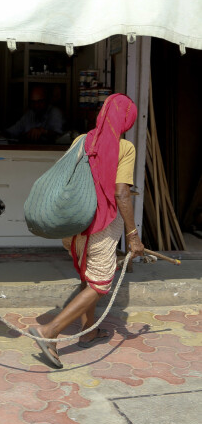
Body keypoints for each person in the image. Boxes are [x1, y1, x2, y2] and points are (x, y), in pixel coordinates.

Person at [29, 93, 145, 369]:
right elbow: (121, 193)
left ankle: (89, 330)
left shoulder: (81, 140)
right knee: (100, 283)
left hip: (75, 223)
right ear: (126, 119)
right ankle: (49, 332)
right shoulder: (124, 147)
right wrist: (133, 236)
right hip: (102, 225)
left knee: (87, 273)